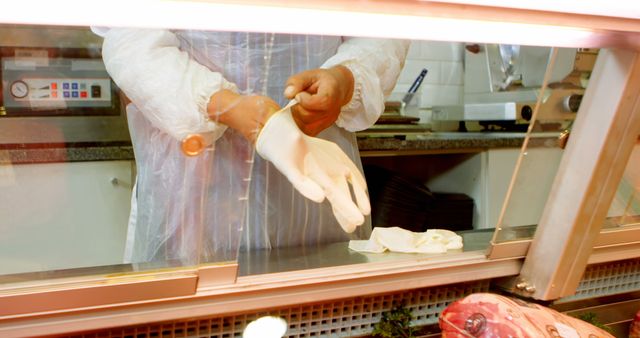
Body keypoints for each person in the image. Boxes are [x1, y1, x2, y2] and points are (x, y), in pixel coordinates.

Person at [93, 27, 408, 264]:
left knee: (318, 306)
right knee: (193, 311)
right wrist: (222, 105)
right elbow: (131, 41)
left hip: (313, 167)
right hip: (197, 174)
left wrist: (345, 78)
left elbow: (386, 27)